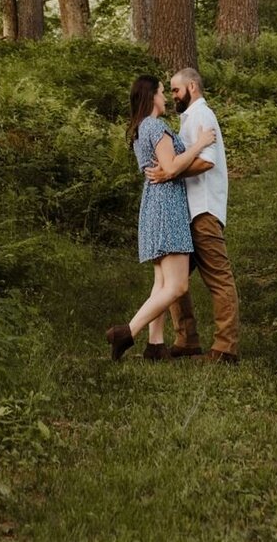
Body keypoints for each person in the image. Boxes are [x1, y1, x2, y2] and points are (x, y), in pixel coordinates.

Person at [106, 75, 216, 362]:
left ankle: (155, 345)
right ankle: (127, 331)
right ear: (152, 96)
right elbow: (171, 166)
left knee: (162, 282)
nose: (166, 96)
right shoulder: (155, 125)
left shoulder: (141, 128)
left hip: (153, 205)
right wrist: (200, 143)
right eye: (162, 92)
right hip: (167, 205)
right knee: (177, 286)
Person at [145, 66, 238, 364]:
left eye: (176, 90)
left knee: (218, 278)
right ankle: (186, 340)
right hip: (188, 211)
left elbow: (206, 162)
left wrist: (169, 172)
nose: (173, 96)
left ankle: (225, 348)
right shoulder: (187, 119)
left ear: (192, 88)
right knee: (176, 280)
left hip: (204, 209)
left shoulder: (201, 116)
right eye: (169, 91)